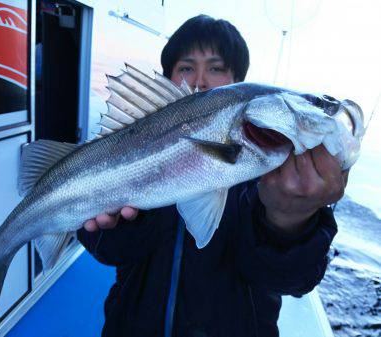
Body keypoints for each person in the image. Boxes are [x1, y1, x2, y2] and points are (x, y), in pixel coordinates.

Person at [77, 15, 346, 337]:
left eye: (216, 69)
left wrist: (290, 219)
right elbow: (108, 252)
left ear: (239, 85)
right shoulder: (125, 150)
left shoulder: (275, 178)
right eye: (186, 68)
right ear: (168, 79)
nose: (201, 80)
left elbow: (293, 282)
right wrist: (119, 225)